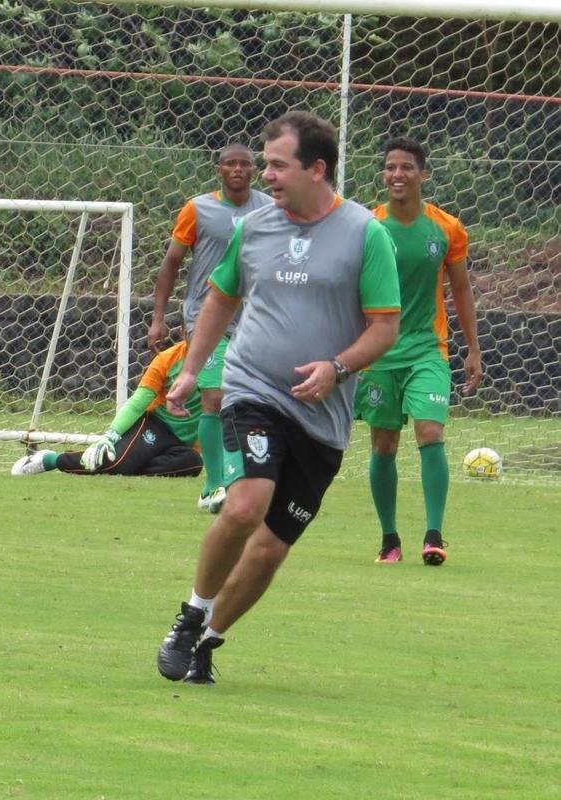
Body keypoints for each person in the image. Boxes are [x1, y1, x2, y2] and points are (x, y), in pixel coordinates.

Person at [155, 111, 401, 685]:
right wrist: (192, 370)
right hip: (254, 389)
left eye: (276, 164)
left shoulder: (367, 234)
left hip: (324, 417)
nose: (265, 175)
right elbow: (220, 301)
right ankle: (190, 615)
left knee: (270, 550)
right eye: (264, 163)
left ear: (317, 169)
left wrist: (337, 368)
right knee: (244, 505)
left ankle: (208, 641)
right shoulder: (255, 228)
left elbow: (384, 327)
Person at [358, 137, 482, 566]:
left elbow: (462, 289)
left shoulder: (447, 228)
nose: (397, 174)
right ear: (383, 174)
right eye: (390, 167)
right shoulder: (368, 226)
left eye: (407, 167)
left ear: (423, 175)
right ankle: (389, 539)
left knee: (430, 431)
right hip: (380, 350)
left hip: (429, 347)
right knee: (384, 444)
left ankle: (433, 535)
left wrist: (473, 350)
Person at [147, 144, 272, 513]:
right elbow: (171, 263)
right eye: (230, 164)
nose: (237, 169)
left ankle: (236, 476)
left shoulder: (268, 208)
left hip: (253, 317)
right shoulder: (198, 208)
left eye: (245, 164)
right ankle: (213, 487)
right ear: (218, 170)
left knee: (244, 400)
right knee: (213, 397)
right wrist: (158, 318)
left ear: (254, 170)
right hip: (204, 314)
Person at [10, 338, 204, 479]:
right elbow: (138, 401)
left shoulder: (224, 359)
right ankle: (50, 460)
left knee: (193, 463)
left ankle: (122, 464)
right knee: (119, 462)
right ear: (183, 331)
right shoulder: (167, 359)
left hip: (182, 445)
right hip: (155, 426)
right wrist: (110, 435)